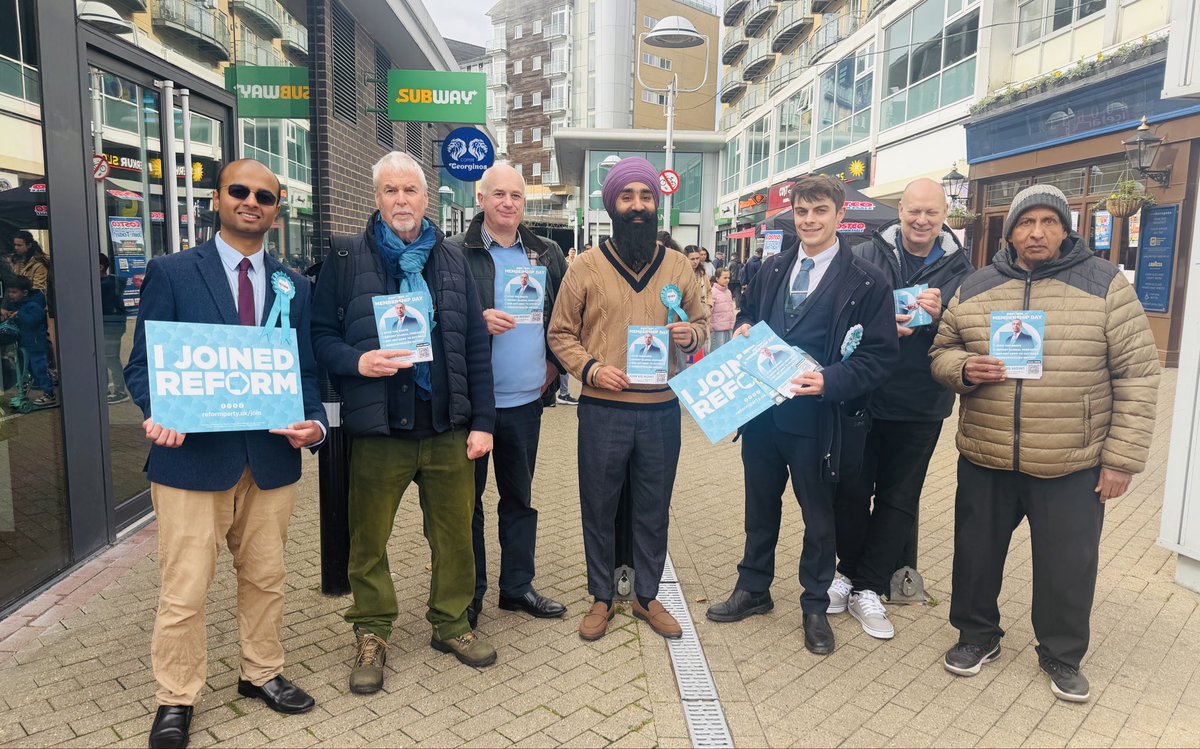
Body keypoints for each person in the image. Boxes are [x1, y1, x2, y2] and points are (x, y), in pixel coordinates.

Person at [123, 158, 327, 749]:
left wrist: (312, 424)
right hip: (191, 461)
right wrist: (154, 411)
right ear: (217, 199)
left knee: (266, 577)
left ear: (276, 209)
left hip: (269, 461)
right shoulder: (172, 272)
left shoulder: (295, 286)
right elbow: (144, 365)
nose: (251, 202)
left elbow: (304, 372)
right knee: (184, 588)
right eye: (239, 191)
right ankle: (176, 696)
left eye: (265, 196)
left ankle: (260, 672)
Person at [929, 184, 1160, 702]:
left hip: (1070, 459)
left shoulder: (1105, 285)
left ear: (1065, 228)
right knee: (975, 555)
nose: (1037, 233)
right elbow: (942, 349)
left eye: (1048, 222)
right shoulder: (978, 284)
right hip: (987, 453)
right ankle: (976, 636)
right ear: (1009, 231)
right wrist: (965, 368)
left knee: (1066, 564)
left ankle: (1061, 653)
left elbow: (1139, 376)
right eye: (1026, 223)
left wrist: (1121, 460)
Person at [312, 151, 497, 691]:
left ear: (426, 198)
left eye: (410, 191)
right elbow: (320, 336)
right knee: (368, 540)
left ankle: (451, 623)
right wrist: (357, 361)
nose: (400, 201)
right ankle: (372, 631)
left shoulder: (454, 260)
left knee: (456, 536)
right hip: (380, 430)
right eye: (390, 191)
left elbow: (475, 347)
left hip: (446, 427)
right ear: (376, 198)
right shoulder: (348, 258)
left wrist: (482, 421)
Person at [705, 175, 897, 657]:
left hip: (819, 421)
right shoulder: (771, 268)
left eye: (819, 212)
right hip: (763, 414)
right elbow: (751, 313)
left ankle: (814, 605)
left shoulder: (868, 281)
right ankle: (754, 588)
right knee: (759, 507)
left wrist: (830, 381)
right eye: (802, 212)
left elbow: (879, 357)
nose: (809, 221)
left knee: (819, 517)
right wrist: (746, 326)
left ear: (838, 215)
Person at [548, 157, 709, 642]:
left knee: (653, 507)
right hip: (604, 409)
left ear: (656, 205)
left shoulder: (680, 266)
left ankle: (645, 596)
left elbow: (701, 328)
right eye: (627, 197)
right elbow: (559, 333)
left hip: (660, 410)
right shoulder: (586, 268)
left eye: (646, 197)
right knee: (599, 505)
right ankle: (601, 596)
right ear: (611, 205)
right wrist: (591, 368)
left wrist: (688, 336)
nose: (637, 206)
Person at [829, 178, 975, 640]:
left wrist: (942, 314)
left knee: (898, 498)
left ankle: (869, 587)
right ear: (901, 210)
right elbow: (837, 311)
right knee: (850, 490)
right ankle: (847, 573)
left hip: (920, 402)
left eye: (931, 213)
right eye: (914, 211)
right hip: (864, 394)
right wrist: (876, 321)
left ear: (944, 215)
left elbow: (971, 331)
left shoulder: (963, 270)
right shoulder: (864, 254)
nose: (921, 220)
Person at [447, 162, 568, 630]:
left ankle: (517, 587)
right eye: (498, 194)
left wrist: (554, 368)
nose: (507, 203)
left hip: (524, 402)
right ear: (481, 199)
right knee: (467, 503)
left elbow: (562, 320)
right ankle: (470, 593)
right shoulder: (455, 252)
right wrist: (478, 319)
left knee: (519, 498)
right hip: (474, 406)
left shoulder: (546, 252)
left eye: (516, 196)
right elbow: (440, 320)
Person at [1, 276, 54, 407]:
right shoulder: (17, 305)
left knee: (39, 369)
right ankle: (26, 392)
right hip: (24, 345)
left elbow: (33, 321)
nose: (11, 295)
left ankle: (49, 394)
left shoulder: (33, 306)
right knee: (28, 369)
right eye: (9, 292)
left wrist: (18, 315)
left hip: (36, 345)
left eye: (14, 292)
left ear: (24, 293)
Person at [98, 253, 129, 404]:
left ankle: (120, 391)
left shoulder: (103, 285)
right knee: (105, 358)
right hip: (114, 323)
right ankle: (107, 388)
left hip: (109, 324)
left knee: (110, 358)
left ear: (100, 267)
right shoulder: (114, 281)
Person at [10, 230, 49, 295]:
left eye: (19, 245)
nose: (16, 248)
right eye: (15, 245)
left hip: (30, 301)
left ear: (29, 245)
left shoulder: (39, 265)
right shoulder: (14, 261)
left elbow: (38, 290)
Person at [709, 268, 735, 353]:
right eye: (725, 278)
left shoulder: (728, 292)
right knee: (717, 354)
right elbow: (709, 311)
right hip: (717, 329)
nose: (727, 280)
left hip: (729, 328)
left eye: (728, 278)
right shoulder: (712, 292)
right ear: (717, 278)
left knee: (727, 353)